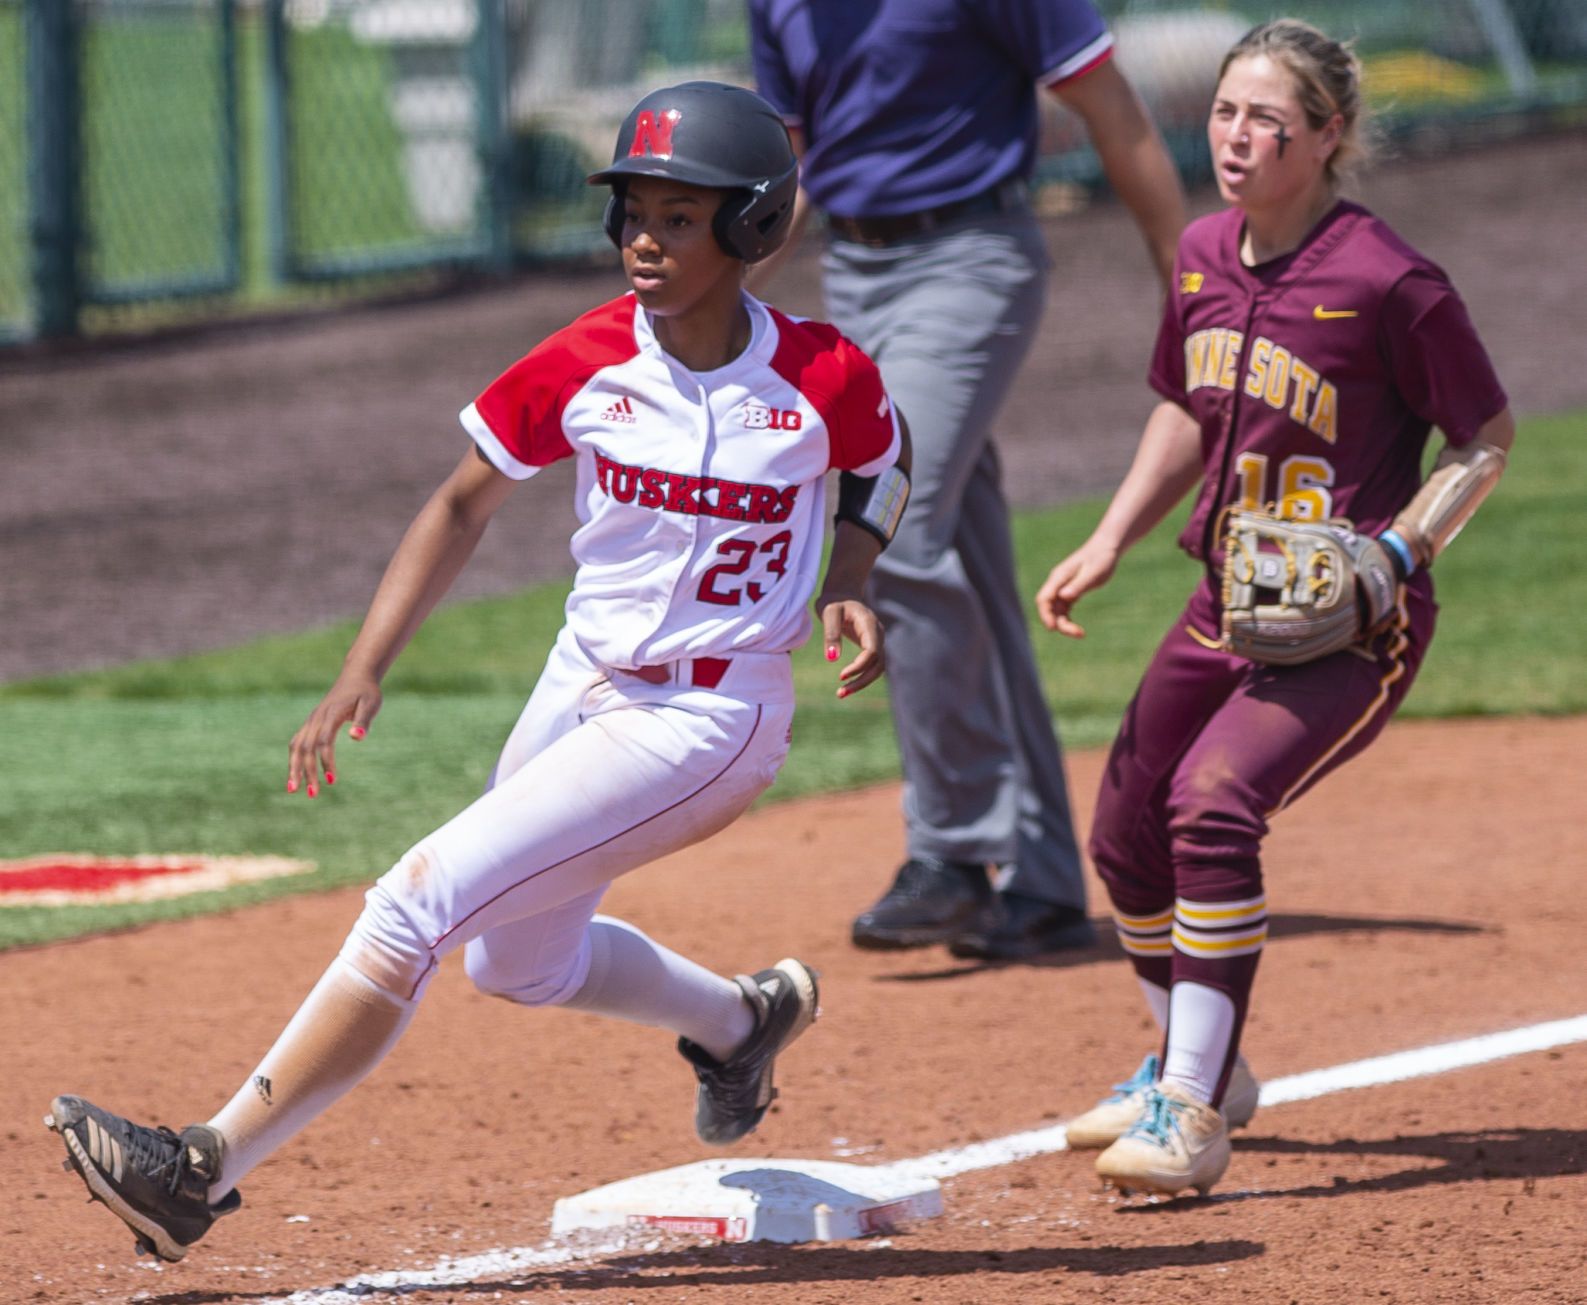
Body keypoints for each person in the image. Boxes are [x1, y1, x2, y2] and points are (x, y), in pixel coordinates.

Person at [45, 81, 913, 1263]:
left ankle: (200, 1166)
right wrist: (364, 665)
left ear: (756, 228)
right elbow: (460, 502)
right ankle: (741, 1021)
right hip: (582, 678)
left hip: (711, 714)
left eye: (680, 216)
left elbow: (883, 463)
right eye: (632, 214)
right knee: (518, 962)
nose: (645, 240)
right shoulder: (590, 360)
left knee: (417, 905)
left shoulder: (820, 374)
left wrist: (851, 575)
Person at [1036, 18, 1514, 1197]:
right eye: (1225, 114)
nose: (1238, 138)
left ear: (1328, 136)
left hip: (1349, 624)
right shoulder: (1201, 252)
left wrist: (1399, 551)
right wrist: (1107, 537)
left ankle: (1192, 1111)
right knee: (1124, 839)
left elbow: (1485, 436)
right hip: (1224, 605)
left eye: (1268, 121)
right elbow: (1184, 408)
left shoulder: (1387, 280)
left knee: (1212, 808)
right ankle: (1195, 1063)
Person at [745, 0, 1187, 959]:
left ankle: (950, 852)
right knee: (967, 562)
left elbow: (1114, 114)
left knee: (890, 528)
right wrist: (714, 296)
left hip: (971, 261)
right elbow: (792, 169)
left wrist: (1191, 293)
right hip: (852, 277)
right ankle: (1039, 881)